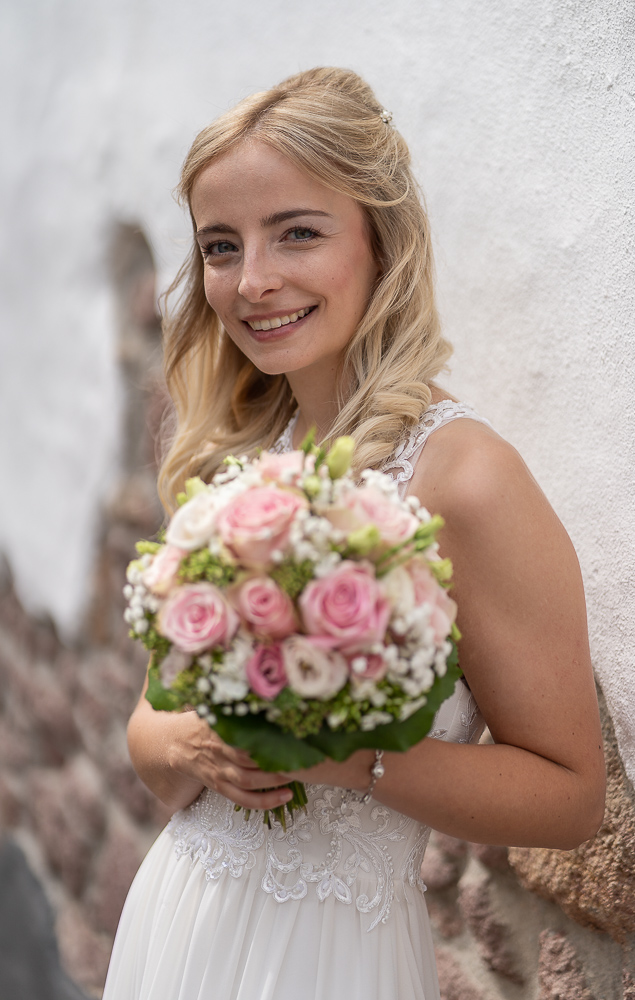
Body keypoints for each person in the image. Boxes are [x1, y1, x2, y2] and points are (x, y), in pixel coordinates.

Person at [103, 67, 605, 1000]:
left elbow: (571, 794)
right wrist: (191, 748)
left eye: (297, 232)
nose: (252, 281)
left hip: (328, 955)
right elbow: (147, 729)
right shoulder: (239, 464)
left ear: (383, 239)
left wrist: (350, 759)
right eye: (221, 245)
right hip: (178, 920)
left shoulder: (466, 479)